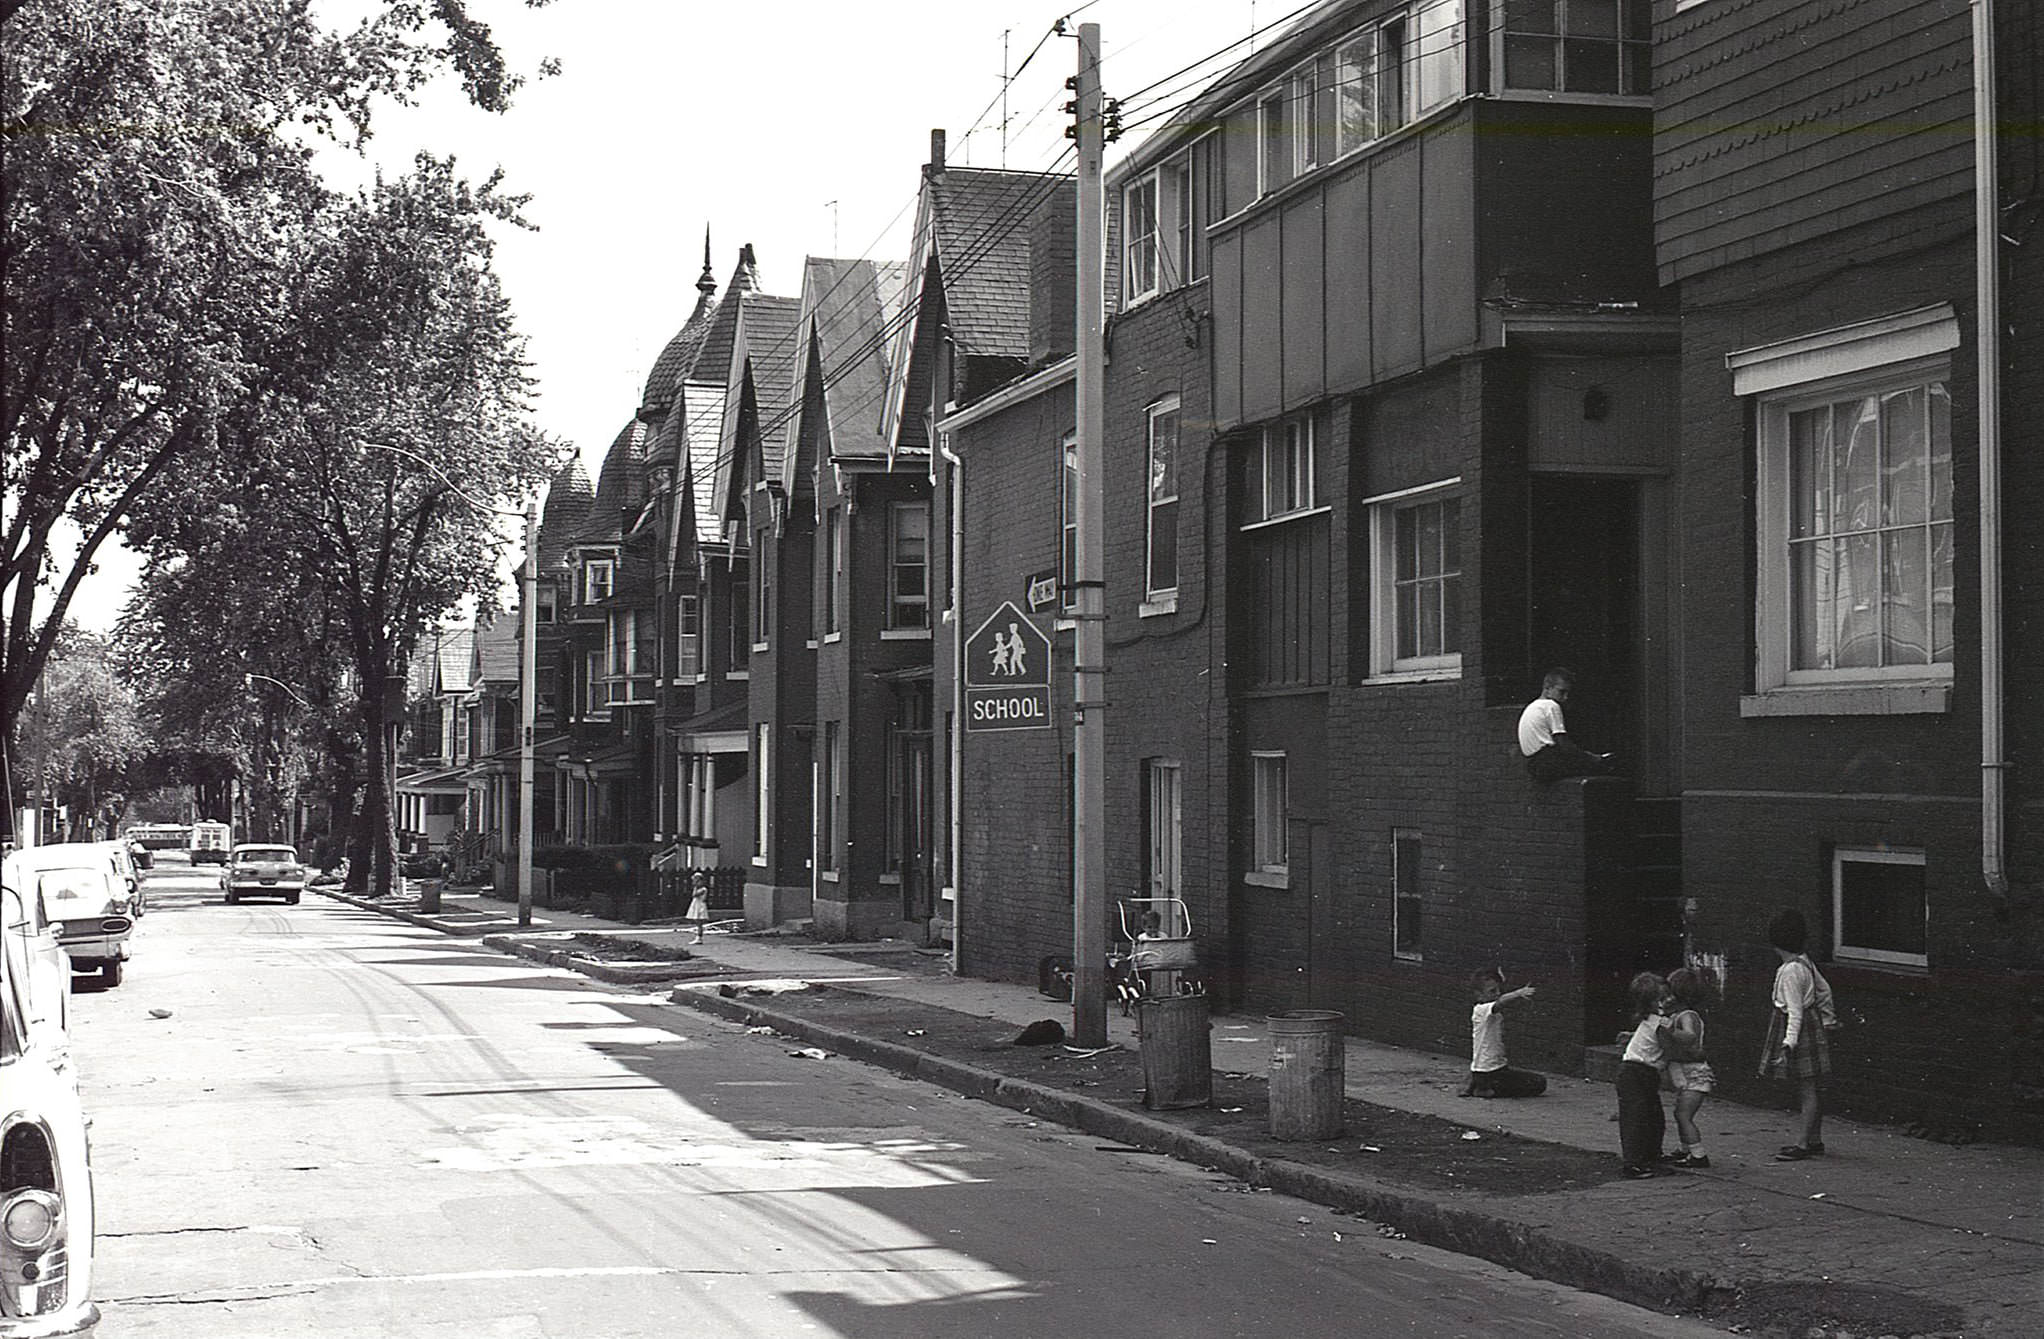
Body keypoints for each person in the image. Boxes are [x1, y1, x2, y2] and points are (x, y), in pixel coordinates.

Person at [1759, 909, 1835, 1161]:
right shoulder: (1805, 962)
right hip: (1812, 1026)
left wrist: (1787, 1045)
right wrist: (1828, 1019)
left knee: (1807, 1089)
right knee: (1813, 1086)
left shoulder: (1790, 971)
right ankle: (1814, 1139)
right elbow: (1824, 991)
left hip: (1797, 1030)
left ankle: (1802, 1144)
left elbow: (1794, 1012)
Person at [1658, 966, 1718, 1168]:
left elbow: (1690, 1037)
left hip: (1695, 1075)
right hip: (1685, 1074)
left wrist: (1670, 1030)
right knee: (1680, 1113)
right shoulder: (1679, 1015)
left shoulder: (1686, 1016)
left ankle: (1699, 1154)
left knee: (1684, 1115)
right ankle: (1686, 1149)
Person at [1616, 970, 1672, 1177]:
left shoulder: (1651, 1020)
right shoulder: (1660, 1024)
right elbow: (1669, 1048)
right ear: (1652, 1002)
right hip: (1636, 1072)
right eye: (1662, 998)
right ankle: (1632, 1163)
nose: (1669, 1000)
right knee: (1635, 1118)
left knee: (1653, 1115)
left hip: (1643, 1073)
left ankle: (1651, 1153)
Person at [1462, 967, 1547, 1098]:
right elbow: (1500, 1002)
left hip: (1496, 1068)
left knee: (1533, 1080)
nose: (1497, 993)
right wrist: (1518, 993)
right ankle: (1485, 1089)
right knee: (1538, 1084)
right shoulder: (1481, 1010)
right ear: (1479, 995)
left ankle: (1477, 1083)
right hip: (1489, 1071)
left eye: (1498, 990)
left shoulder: (1490, 1013)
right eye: (1492, 991)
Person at [1517, 668, 1616, 781]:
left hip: (1533, 765)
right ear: (1547, 688)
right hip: (1548, 762)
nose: (1565, 697)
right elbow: (1563, 744)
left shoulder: (1532, 707)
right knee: (1604, 767)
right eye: (1561, 692)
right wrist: (1593, 758)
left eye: (1568, 693)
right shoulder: (1551, 706)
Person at [686, 869, 712, 944]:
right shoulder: (700, 889)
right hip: (696, 904)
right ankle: (698, 937)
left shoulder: (703, 889)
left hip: (700, 906)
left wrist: (695, 887)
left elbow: (694, 895)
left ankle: (699, 937)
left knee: (699, 922)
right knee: (697, 922)